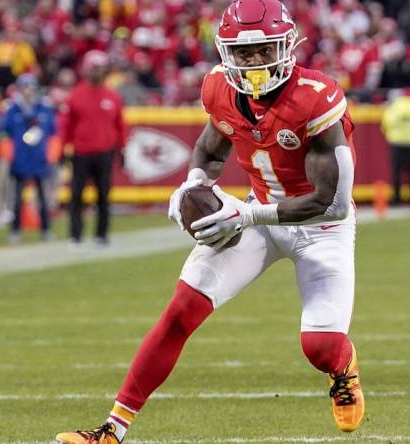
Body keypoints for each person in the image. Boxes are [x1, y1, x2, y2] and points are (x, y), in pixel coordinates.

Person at [56, 1, 363, 443]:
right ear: (226, 53)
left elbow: (331, 203)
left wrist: (247, 213)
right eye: (243, 52)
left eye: (262, 50)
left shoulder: (315, 97)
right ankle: (112, 431)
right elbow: (209, 149)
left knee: (319, 348)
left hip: (321, 228)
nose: (253, 61)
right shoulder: (220, 89)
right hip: (257, 212)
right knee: (182, 309)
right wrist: (193, 184)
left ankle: (344, 368)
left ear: (286, 46)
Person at [61, 50, 127, 247]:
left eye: (100, 68)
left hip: (105, 152)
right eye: (93, 68)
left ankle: (101, 235)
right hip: (81, 152)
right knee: (76, 195)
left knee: (103, 196)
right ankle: (75, 235)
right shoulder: (76, 95)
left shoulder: (112, 96)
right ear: (86, 70)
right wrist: (63, 149)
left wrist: (122, 149)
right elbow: (67, 126)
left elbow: (120, 125)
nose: (96, 72)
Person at [0, 74, 56, 242]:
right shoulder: (12, 109)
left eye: (31, 87)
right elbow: (3, 132)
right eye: (25, 87)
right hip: (20, 159)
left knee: (43, 198)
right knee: (16, 198)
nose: (28, 91)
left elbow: (53, 133)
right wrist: (9, 154)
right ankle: (15, 230)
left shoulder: (44, 108)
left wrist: (50, 155)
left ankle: (45, 229)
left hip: (39, 158)